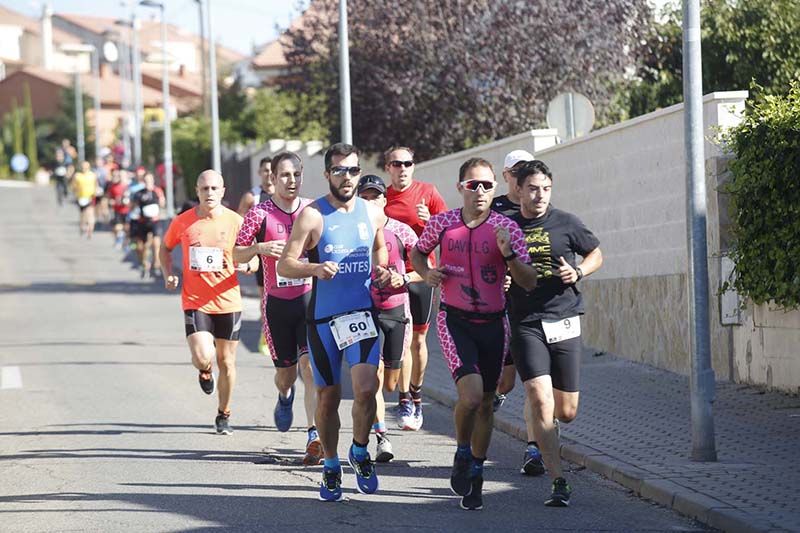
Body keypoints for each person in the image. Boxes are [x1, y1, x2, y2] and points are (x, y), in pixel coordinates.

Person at [410, 157, 537, 511]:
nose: (479, 191)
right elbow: (417, 253)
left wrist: (509, 255)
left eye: (486, 185)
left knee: (485, 402)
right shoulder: (443, 223)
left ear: (495, 188)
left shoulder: (507, 228)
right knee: (470, 396)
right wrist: (427, 273)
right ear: (460, 188)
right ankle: (462, 451)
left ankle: (477, 471)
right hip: (455, 321)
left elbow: (528, 280)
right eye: (472, 185)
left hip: (496, 323)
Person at [277, 143, 391, 502]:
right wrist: (314, 268)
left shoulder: (373, 213)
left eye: (353, 170)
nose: (347, 177)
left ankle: (359, 450)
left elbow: (379, 248)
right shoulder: (312, 216)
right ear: (327, 174)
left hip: (361, 314)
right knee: (327, 397)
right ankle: (330, 463)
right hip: (324, 318)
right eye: (339, 170)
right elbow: (285, 264)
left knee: (366, 389)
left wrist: (384, 271)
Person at [508, 159, 603, 507]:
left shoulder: (566, 222)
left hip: (563, 318)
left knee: (566, 411)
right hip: (526, 321)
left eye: (546, 189)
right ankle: (557, 480)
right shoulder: (506, 226)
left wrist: (578, 273)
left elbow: (595, 253)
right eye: (533, 188)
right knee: (540, 400)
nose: (540, 195)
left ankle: (547, 431)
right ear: (519, 189)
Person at [234, 151, 322, 465]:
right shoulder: (259, 214)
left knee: (310, 368)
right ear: (272, 178)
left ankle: (314, 435)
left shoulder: (314, 210)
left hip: (310, 301)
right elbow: (236, 255)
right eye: (284, 175)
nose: (291, 181)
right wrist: (258, 247)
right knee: (286, 375)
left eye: (296, 175)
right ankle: (284, 396)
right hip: (277, 306)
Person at [159, 170, 255, 435]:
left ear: (223, 191)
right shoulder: (183, 222)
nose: (209, 193)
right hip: (196, 300)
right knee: (204, 355)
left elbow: (254, 256)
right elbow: (165, 248)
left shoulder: (237, 221)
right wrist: (168, 273)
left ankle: (223, 414)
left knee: (228, 362)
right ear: (197, 191)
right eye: (204, 189)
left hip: (228, 301)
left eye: (214, 188)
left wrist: (249, 264)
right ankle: (204, 369)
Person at [383, 145, 448, 431]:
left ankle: (417, 396)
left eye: (407, 163)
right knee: (400, 338)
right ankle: (404, 398)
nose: (402, 169)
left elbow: (450, 230)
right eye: (396, 164)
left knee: (418, 340)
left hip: (421, 275)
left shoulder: (428, 192)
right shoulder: (382, 198)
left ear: (414, 166)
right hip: (393, 278)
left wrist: (430, 221)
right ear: (388, 168)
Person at [357, 174, 421, 463]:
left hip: (396, 309)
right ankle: (382, 436)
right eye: (365, 196)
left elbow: (427, 270)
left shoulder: (402, 231)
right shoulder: (352, 232)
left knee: (391, 383)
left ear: (385, 200)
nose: (370, 201)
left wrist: (402, 277)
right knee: (374, 375)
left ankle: (396, 406)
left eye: (375, 196)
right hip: (365, 309)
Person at [491, 150, 534, 412]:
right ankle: (491, 398)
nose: (521, 177)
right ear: (506, 175)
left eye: (526, 170)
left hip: (529, 298)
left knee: (534, 375)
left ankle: (538, 435)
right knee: (506, 380)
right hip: (499, 297)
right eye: (516, 171)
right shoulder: (493, 209)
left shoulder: (539, 209)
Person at [238, 156, 275, 355]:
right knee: (265, 297)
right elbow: (240, 224)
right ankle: (266, 334)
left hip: (281, 254)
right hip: (261, 256)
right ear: (260, 173)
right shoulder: (252, 197)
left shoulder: (285, 195)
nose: (269, 174)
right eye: (265, 170)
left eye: (272, 170)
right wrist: (249, 251)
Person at [132, 172, 166, 279]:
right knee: (142, 246)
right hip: (142, 221)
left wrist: (158, 200)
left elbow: (162, 203)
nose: (148, 183)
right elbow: (133, 206)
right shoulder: (139, 193)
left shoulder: (157, 191)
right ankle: (144, 264)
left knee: (156, 244)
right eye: (146, 181)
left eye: (150, 181)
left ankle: (156, 265)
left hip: (155, 221)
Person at [72, 160, 98, 239]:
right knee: (83, 214)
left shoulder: (92, 175)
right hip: (81, 198)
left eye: (86, 167)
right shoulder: (77, 176)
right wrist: (76, 193)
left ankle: (90, 229)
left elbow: (96, 185)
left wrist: (95, 193)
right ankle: (82, 226)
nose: (84, 168)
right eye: (83, 167)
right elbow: (73, 186)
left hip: (90, 197)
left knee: (90, 213)